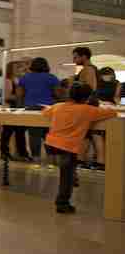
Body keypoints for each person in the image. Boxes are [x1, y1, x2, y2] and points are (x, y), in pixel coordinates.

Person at [43, 82, 117, 213]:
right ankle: (62, 204)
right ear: (87, 98)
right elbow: (112, 113)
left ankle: (74, 177)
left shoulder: (58, 106)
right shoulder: (88, 110)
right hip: (68, 147)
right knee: (67, 176)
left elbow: (46, 113)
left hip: (51, 145)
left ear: (69, 94)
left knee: (67, 170)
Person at [16, 57, 61, 161]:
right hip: (48, 109)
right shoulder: (52, 77)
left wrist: (21, 107)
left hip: (30, 108)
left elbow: (19, 95)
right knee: (49, 134)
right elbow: (58, 94)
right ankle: (51, 158)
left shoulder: (24, 78)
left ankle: (36, 158)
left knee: (34, 134)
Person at [0, 65, 30, 162]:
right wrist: (20, 95)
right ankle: (5, 153)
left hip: (17, 109)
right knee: (8, 132)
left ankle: (22, 153)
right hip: (10, 110)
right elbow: (7, 96)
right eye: (17, 68)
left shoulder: (16, 79)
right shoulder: (8, 81)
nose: (20, 69)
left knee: (19, 132)